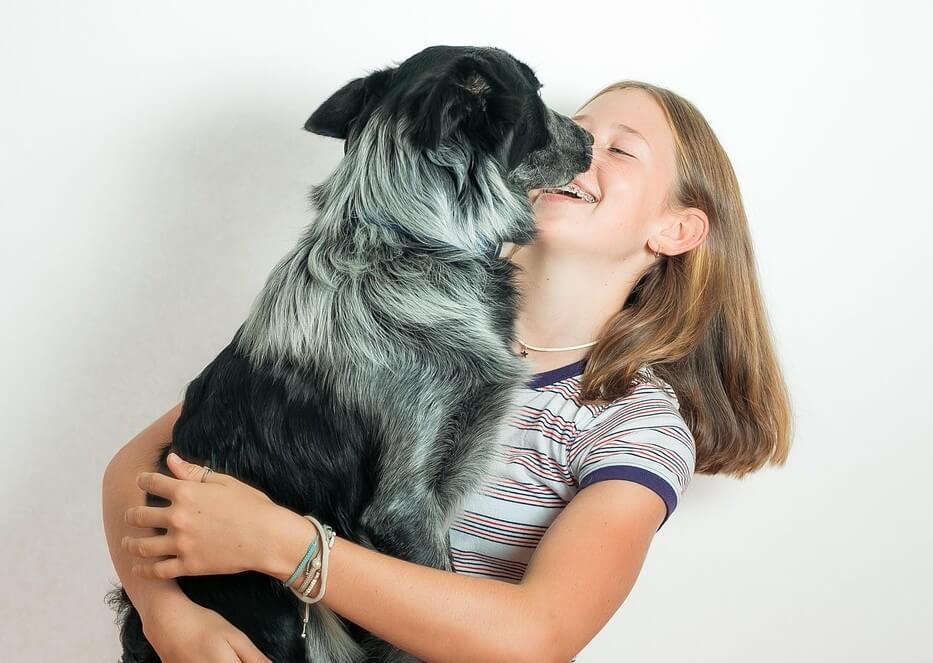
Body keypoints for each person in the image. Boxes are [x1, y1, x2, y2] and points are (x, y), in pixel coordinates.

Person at [102, 80, 792, 663]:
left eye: (620, 150)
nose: (579, 149)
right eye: (574, 130)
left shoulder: (632, 424)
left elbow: (535, 636)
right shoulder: (376, 310)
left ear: (676, 230)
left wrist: (283, 546)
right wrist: (165, 612)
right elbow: (142, 465)